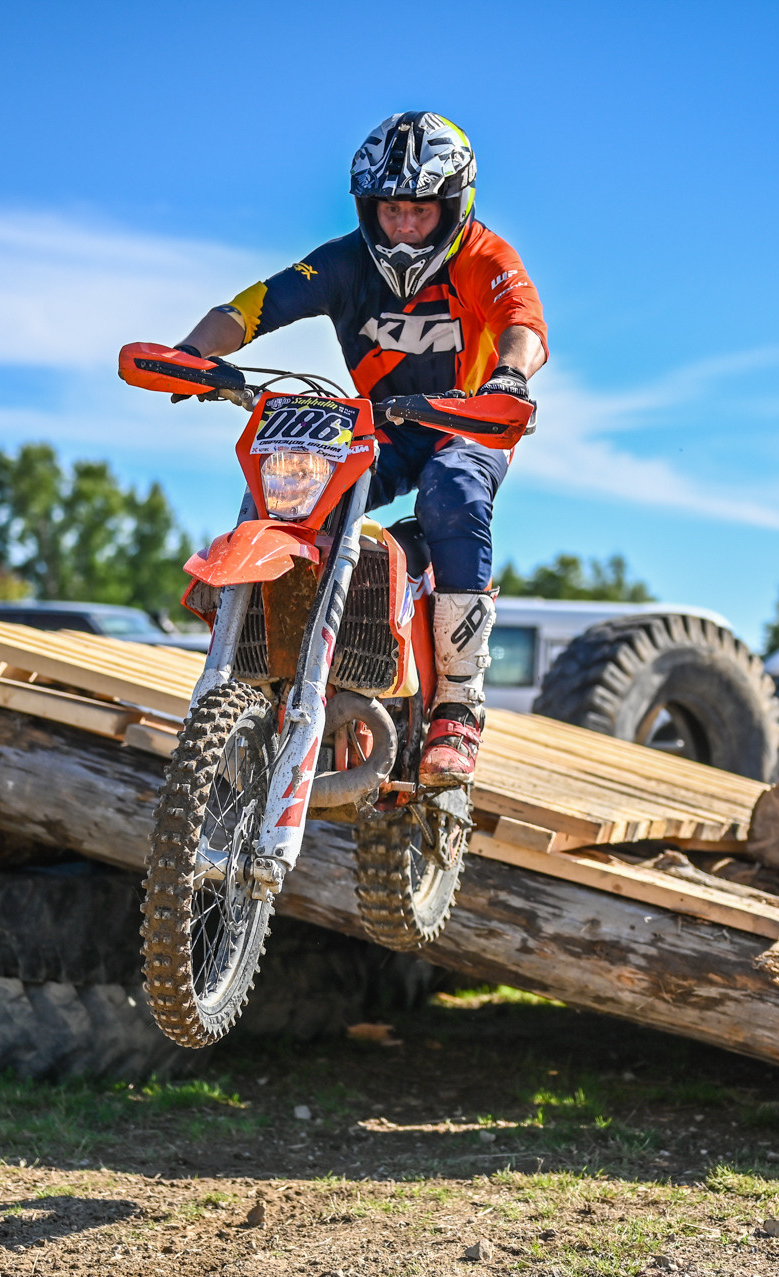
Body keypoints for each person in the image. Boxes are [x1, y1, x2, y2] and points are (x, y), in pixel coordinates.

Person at [168, 111, 547, 787]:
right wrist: (193, 352)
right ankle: (264, 655)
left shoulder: (487, 257)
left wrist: (511, 376)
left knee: (451, 489)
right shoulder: (343, 261)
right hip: (380, 427)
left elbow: (523, 324)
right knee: (291, 488)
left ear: (453, 207)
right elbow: (254, 306)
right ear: (368, 208)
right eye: (391, 210)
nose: (404, 226)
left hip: (470, 422)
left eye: (420, 212)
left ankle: (459, 703)